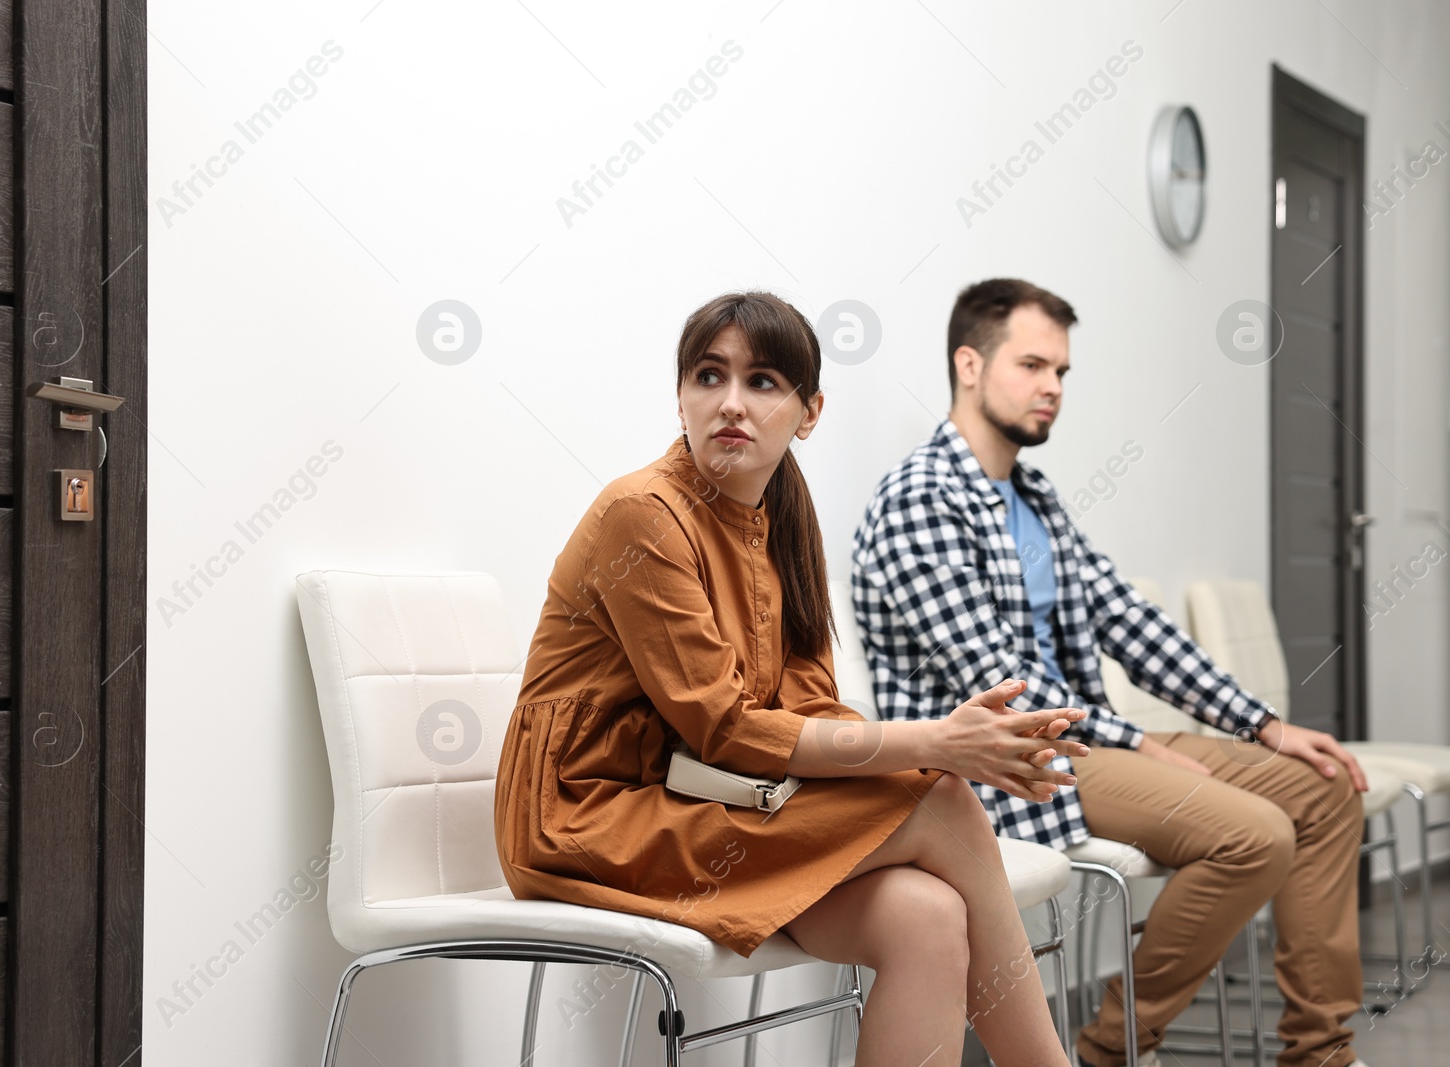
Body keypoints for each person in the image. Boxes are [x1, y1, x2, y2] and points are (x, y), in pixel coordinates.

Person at [494, 290, 1087, 1067]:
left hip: (693, 800)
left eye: (763, 382)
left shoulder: (783, 516)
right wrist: (942, 745)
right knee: (943, 798)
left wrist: (939, 746)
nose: (731, 403)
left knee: (927, 915)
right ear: (680, 396)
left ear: (809, 412)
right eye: (709, 376)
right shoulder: (641, 514)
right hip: (587, 815)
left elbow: (806, 707)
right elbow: (728, 729)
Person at [851, 278, 1370, 1067]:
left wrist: (1262, 723)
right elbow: (1001, 680)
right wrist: (1134, 740)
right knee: (1256, 836)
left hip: (1089, 740)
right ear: (968, 364)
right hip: (1009, 764)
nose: (1053, 387)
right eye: (1032, 365)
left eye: (1061, 370)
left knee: (1326, 788)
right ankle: (1110, 1049)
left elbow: (1133, 621)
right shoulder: (919, 499)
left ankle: (1320, 1055)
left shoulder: (1034, 498)